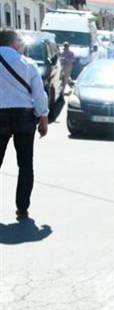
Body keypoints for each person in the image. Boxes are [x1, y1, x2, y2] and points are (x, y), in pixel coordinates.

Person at [0, 28, 49, 221]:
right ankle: (22, 209)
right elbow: (38, 94)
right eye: (20, 42)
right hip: (24, 116)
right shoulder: (28, 64)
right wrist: (43, 117)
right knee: (25, 165)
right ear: (13, 43)